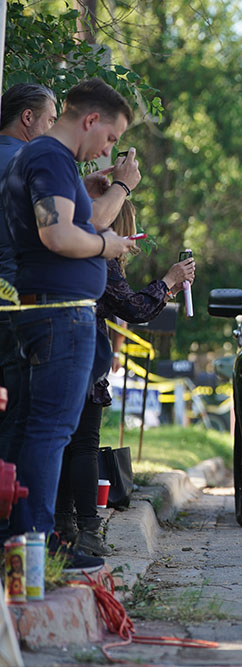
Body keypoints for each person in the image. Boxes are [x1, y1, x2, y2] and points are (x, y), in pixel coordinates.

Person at [1, 78, 139, 572]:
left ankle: (25, 547)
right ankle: (33, 551)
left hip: (50, 310)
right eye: (109, 137)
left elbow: (67, 219)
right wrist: (109, 242)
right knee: (50, 432)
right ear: (90, 120)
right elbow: (58, 233)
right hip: (60, 313)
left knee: (33, 430)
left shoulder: (43, 160)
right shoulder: (49, 158)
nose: (108, 149)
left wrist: (89, 195)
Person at [55, 199, 195, 556]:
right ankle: (87, 528)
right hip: (81, 354)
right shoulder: (100, 257)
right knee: (83, 444)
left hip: (52, 349)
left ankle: (63, 525)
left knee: (61, 443)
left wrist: (168, 289)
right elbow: (132, 307)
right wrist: (168, 280)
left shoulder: (70, 246)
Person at [0, 84, 59, 462]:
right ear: (27, 118)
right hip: (17, 299)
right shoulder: (33, 162)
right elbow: (57, 230)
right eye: (50, 120)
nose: (53, 129)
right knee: (19, 410)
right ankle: (11, 519)